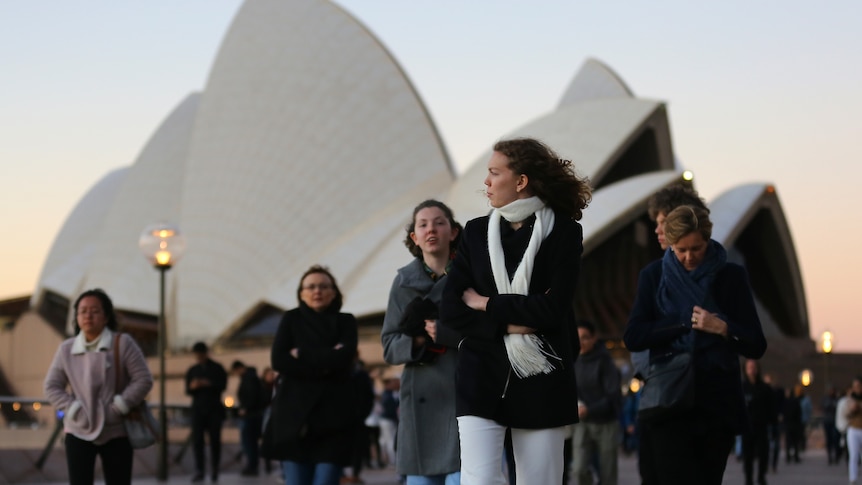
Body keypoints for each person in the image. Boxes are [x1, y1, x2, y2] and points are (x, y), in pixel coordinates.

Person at [440, 137, 591, 485]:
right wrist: (509, 324)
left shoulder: (565, 233)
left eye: (495, 173)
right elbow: (452, 309)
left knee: (540, 480)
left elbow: (553, 309)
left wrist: (487, 304)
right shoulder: (476, 232)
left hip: (542, 377)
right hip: (481, 375)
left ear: (521, 181)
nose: (487, 182)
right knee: (477, 481)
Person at [623, 205, 767, 485]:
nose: (689, 257)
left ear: (709, 240)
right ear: (670, 244)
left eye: (697, 249)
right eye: (681, 250)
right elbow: (634, 336)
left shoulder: (731, 276)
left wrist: (723, 327)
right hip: (669, 401)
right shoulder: (653, 276)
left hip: (716, 405)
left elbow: (756, 344)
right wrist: (682, 320)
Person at [381, 199, 464, 485]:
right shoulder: (402, 283)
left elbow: (491, 333)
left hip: (464, 396)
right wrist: (417, 341)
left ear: (453, 232)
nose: (432, 229)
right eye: (423, 224)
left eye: (440, 222)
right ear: (414, 237)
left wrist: (447, 334)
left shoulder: (473, 276)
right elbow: (389, 346)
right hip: (421, 402)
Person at [44, 289, 153, 485]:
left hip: (116, 430)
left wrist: (119, 406)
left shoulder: (123, 344)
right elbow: (52, 386)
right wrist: (74, 409)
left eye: (94, 311)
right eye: (83, 311)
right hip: (78, 429)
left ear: (106, 316)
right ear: (76, 317)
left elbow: (143, 379)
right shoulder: (66, 349)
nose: (88, 316)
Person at [267, 265, 358, 485]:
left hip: (333, 420)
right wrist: (328, 359)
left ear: (334, 292)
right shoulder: (290, 319)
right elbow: (279, 360)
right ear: (301, 293)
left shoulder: (346, 321)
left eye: (323, 286)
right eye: (311, 286)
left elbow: (344, 360)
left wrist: (301, 354)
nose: (317, 291)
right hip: (295, 421)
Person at [570, 320, 621, 485]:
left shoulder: (605, 362)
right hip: (582, 423)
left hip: (606, 423)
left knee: (608, 474)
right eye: (577, 338)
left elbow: (613, 396)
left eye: (585, 337)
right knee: (578, 470)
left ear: (594, 338)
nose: (581, 342)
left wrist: (589, 409)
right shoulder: (573, 360)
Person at [185, 341, 228, 483]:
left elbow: (223, 385)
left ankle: (215, 469)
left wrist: (207, 383)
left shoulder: (217, 368)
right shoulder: (193, 370)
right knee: (198, 441)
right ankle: (200, 470)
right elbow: (188, 390)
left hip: (214, 409)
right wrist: (194, 386)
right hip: (198, 410)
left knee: (215, 441)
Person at [741, 359, 775, 485]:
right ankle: (748, 479)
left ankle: (761, 477)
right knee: (748, 456)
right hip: (747, 427)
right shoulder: (742, 388)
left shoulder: (765, 388)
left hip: (761, 427)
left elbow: (771, 408)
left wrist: (773, 424)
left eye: (754, 366)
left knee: (763, 454)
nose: (752, 369)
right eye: (749, 367)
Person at [230, 360, 265, 476]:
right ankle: (252, 465)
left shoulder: (248, 378)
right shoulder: (251, 377)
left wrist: (245, 408)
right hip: (253, 414)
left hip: (250, 415)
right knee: (251, 442)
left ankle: (252, 466)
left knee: (249, 442)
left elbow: (251, 396)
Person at [845, 377, 862, 484]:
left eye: (859, 386)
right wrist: (852, 409)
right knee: (854, 455)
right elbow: (846, 414)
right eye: (855, 386)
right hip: (853, 429)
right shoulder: (850, 398)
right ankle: (853, 479)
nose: (857, 388)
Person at [784, 385, 804, 464]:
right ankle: (793, 456)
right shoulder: (794, 401)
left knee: (792, 442)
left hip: (792, 424)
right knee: (793, 442)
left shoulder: (787, 402)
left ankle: (791, 456)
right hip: (793, 424)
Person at [822, 386, 841, 465]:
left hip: (836, 421)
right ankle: (830, 456)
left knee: (836, 439)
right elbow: (824, 407)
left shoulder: (837, 400)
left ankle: (837, 455)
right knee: (829, 439)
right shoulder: (826, 399)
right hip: (828, 421)